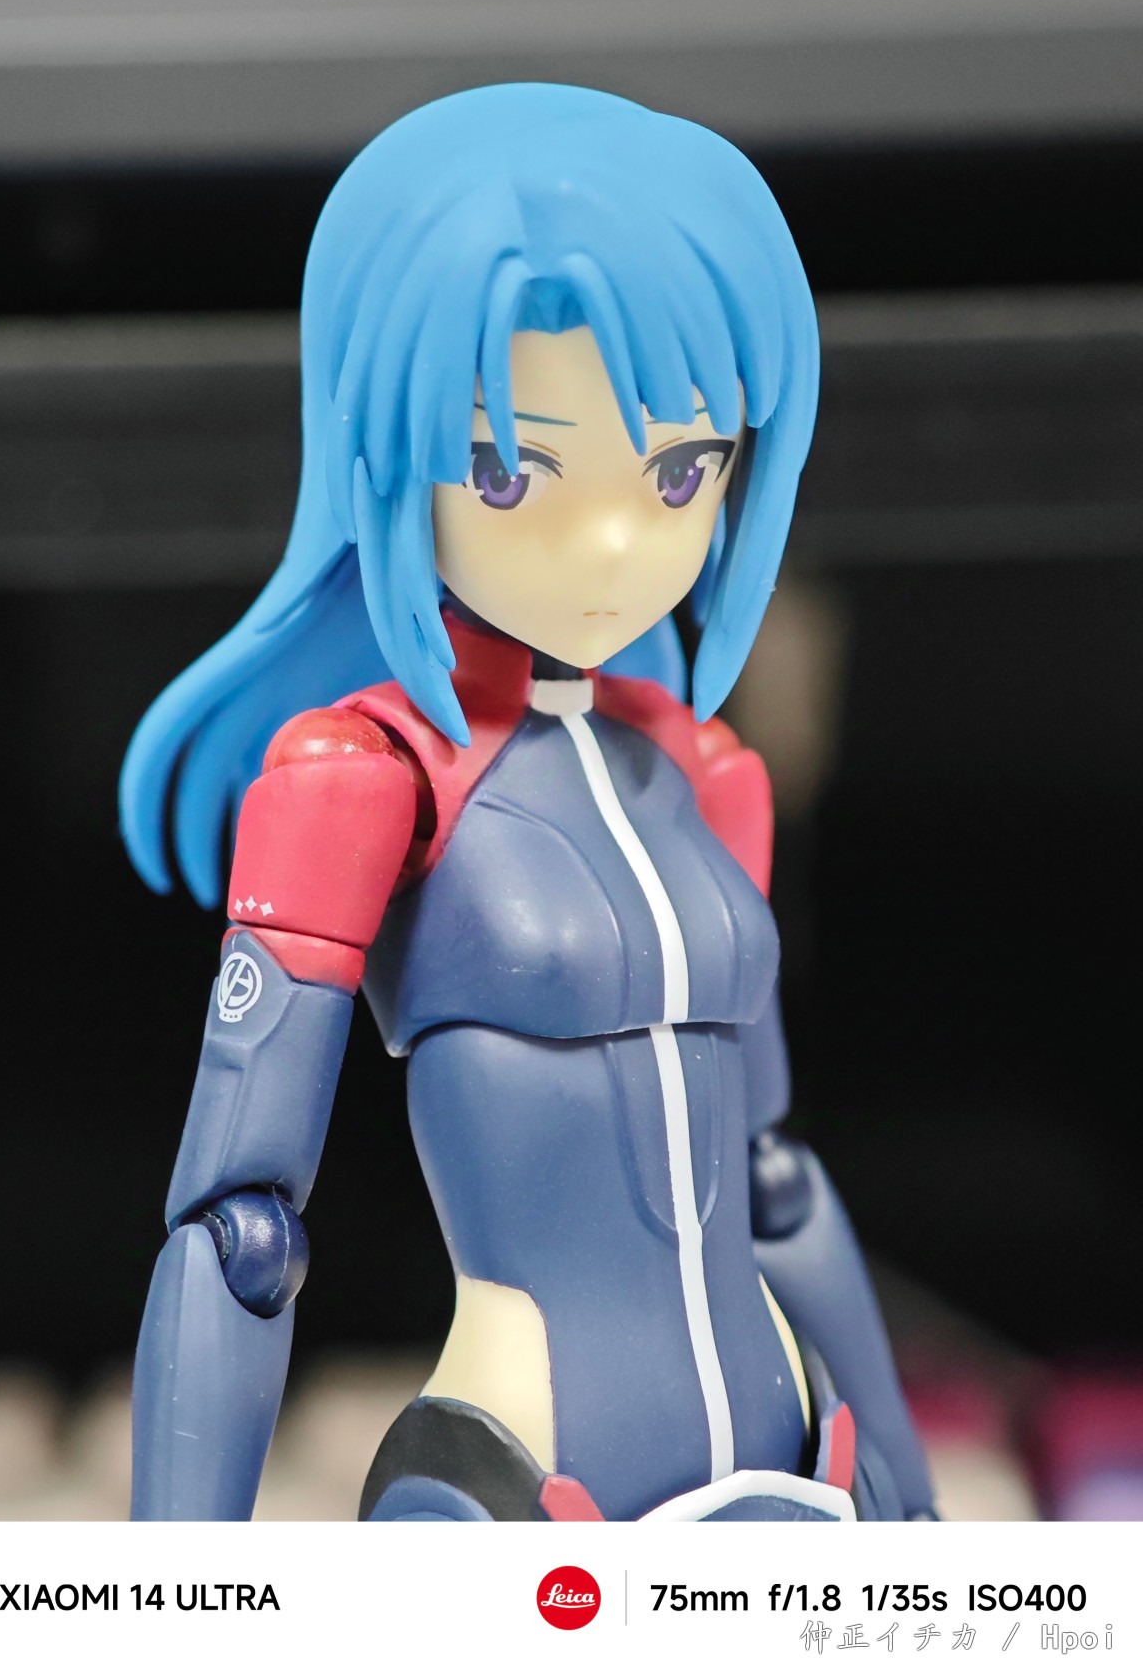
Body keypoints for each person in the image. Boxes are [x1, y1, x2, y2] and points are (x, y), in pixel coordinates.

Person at [121, 83, 934, 1522]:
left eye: (681, 468)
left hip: (793, 1454)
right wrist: (178, 1591)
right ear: (396, 457)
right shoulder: (363, 781)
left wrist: (916, 1516)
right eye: (509, 469)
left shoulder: (704, 772)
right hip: (525, 1478)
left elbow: (776, 1182)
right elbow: (241, 1232)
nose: (612, 544)